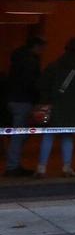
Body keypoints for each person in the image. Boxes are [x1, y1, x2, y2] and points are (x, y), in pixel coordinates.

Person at [36, 38, 75, 178]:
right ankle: (66, 167)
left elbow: (42, 85)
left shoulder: (53, 66)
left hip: (55, 105)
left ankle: (41, 167)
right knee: (67, 137)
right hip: (73, 108)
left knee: (48, 135)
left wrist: (46, 101)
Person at [5, 32, 43, 177]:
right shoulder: (30, 61)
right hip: (23, 100)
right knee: (19, 134)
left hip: (14, 99)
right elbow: (31, 82)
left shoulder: (18, 58)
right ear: (35, 46)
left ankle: (13, 164)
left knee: (19, 134)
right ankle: (12, 166)